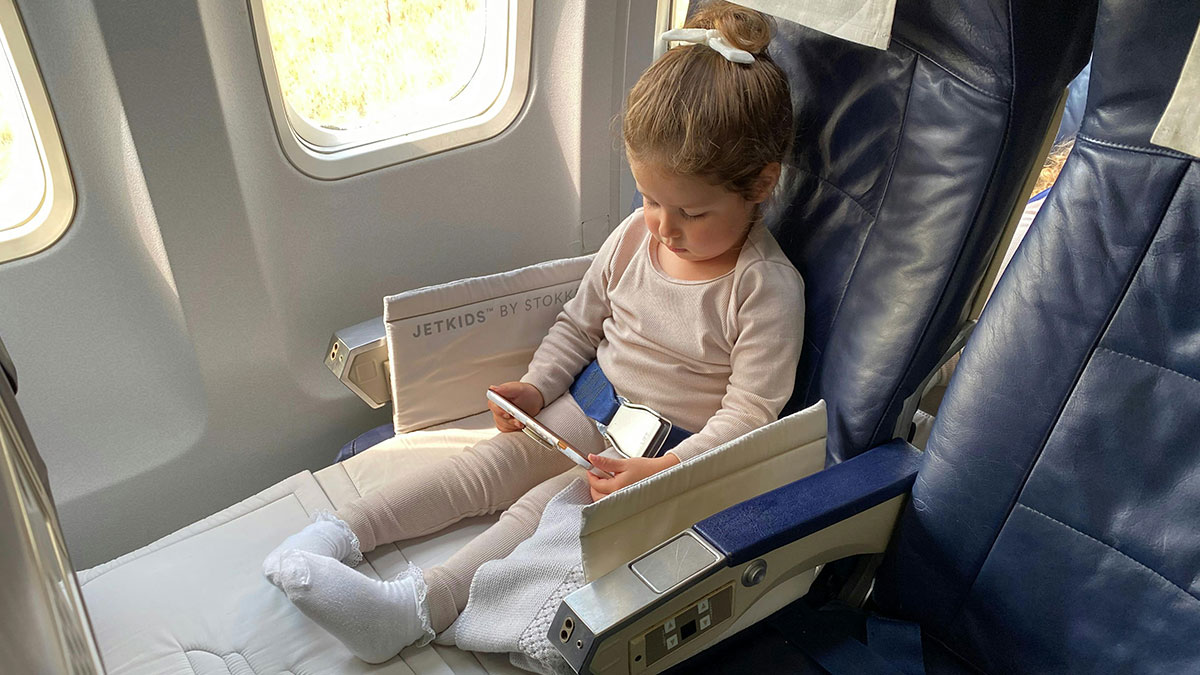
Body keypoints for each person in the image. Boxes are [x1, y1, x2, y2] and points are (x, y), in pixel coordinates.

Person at [261, 1, 805, 663]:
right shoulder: (636, 238)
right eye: (650, 197)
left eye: (691, 211)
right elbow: (580, 322)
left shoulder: (763, 287)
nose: (663, 225)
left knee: (537, 513)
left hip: (658, 452)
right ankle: (335, 535)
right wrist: (536, 384)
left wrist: (663, 472)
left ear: (761, 185)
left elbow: (749, 415)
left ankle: (412, 608)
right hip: (583, 406)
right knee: (481, 471)